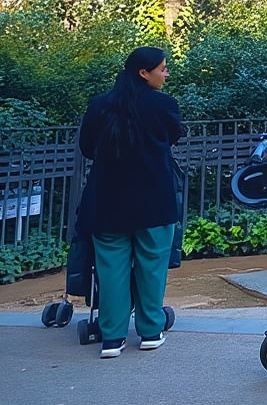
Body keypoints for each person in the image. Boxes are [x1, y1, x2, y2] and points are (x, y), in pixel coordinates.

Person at [77, 47, 184, 358]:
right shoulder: (163, 105)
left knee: (111, 270)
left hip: (106, 202)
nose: (166, 74)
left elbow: (87, 147)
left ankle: (112, 338)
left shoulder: (100, 105)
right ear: (143, 72)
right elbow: (174, 136)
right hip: (154, 200)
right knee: (152, 267)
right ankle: (151, 331)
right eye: (162, 69)